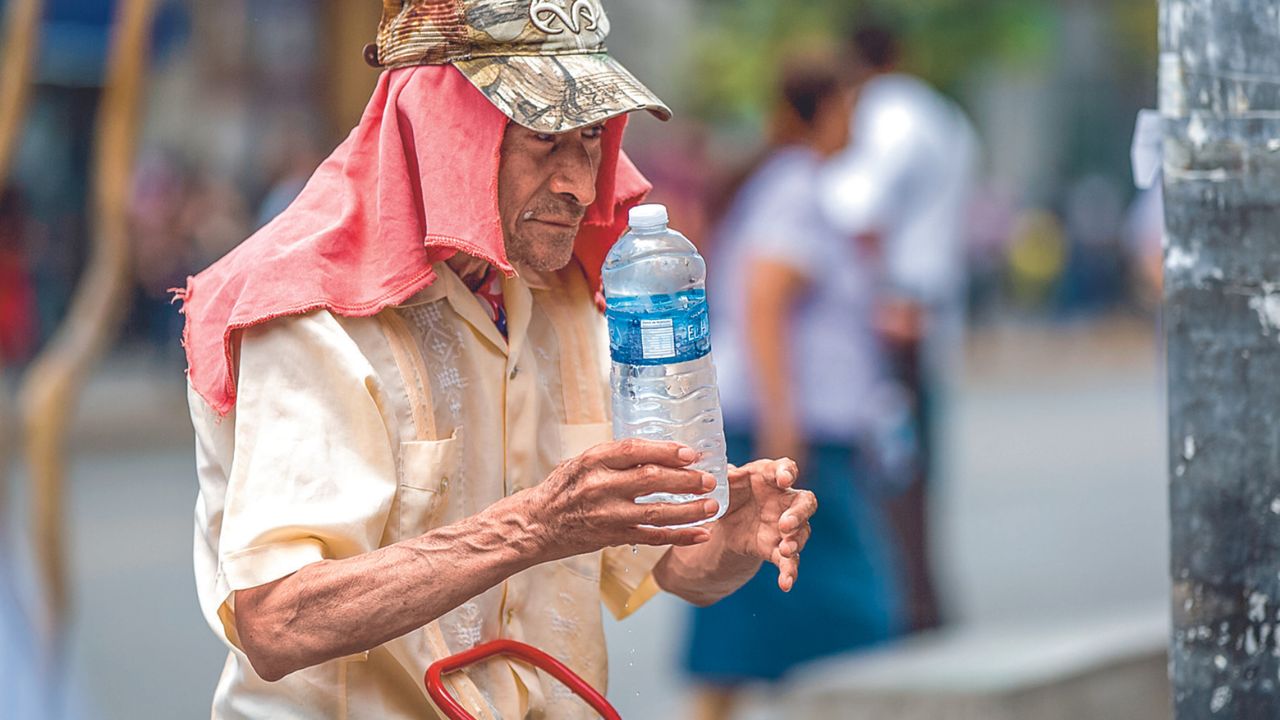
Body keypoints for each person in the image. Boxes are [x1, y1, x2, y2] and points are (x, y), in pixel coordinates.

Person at [177, 2, 817, 718]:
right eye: (544, 137)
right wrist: (534, 526)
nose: (579, 182)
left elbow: (661, 562)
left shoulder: (564, 294)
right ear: (447, 132)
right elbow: (276, 620)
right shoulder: (306, 314)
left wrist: (725, 539)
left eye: (592, 138)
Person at [682, 57, 903, 720]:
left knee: (752, 610)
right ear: (822, 112)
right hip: (791, 432)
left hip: (794, 426)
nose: (855, 124)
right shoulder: (795, 189)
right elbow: (765, 301)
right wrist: (784, 424)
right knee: (854, 610)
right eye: (847, 108)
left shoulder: (788, 186)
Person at [820, 22, 980, 632]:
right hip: (924, 312)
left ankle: (902, 606)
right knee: (912, 468)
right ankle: (920, 599)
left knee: (886, 473)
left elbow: (856, 210)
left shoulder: (889, 113)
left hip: (890, 318)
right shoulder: (943, 114)